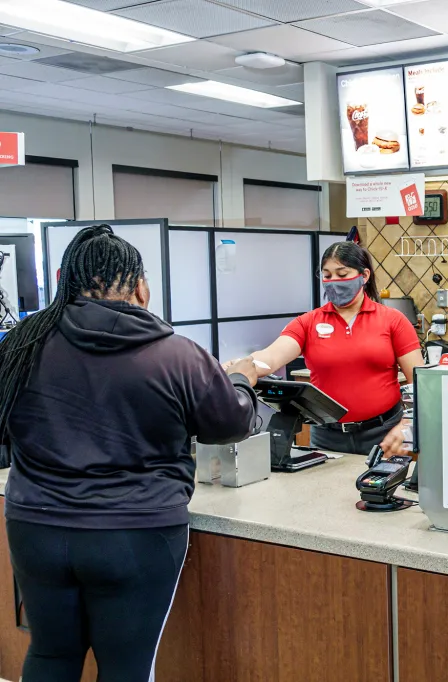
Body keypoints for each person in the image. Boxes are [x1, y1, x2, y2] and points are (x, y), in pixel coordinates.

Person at [0, 225, 259, 682]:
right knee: (126, 669)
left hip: (36, 528)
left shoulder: (23, 345)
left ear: (67, 281)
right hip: (135, 535)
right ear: (141, 286)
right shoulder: (175, 354)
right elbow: (230, 424)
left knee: (50, 655)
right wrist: (239, 381)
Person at [252, 242, 423, 456]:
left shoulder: (393, 321)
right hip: (325, 436)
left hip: (385, 434)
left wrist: (408, 423)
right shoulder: (308, 322)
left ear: (364, 275)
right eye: (327, 275)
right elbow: (270, 357)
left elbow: (419, 381)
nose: (334, 282)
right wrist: (240, 368)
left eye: (342, 274)